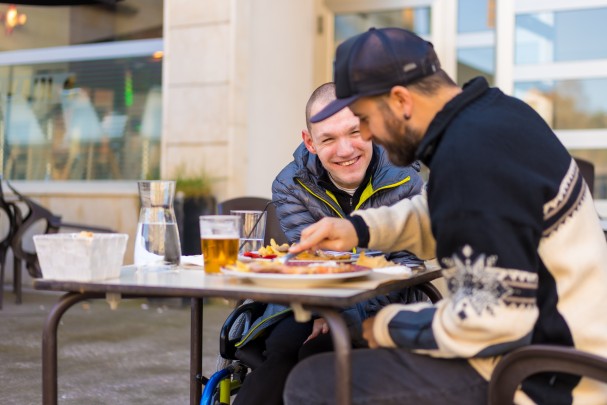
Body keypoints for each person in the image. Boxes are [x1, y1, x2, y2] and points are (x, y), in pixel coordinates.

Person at [283, 28, 607, 405]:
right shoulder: (495, 117)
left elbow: (492, 319)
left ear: (400, 100)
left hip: (545, 375)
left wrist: (386, 326)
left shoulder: (471, 154)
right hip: (547, 346)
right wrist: (356, 229)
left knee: (312, 383)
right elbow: (442, 212)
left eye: (365, 119)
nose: (367, 135)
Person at [232, 82, 426, 405]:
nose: (345, 150)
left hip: (383, 307)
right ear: (310, 142)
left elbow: (404, 269)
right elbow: (311, 262)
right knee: (282, 352)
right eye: (329, 139)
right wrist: (324, 311)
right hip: (308, 302)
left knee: (318, 352)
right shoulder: (290, 185)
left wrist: (342, 318)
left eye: (354, 132)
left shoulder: (405, 179)